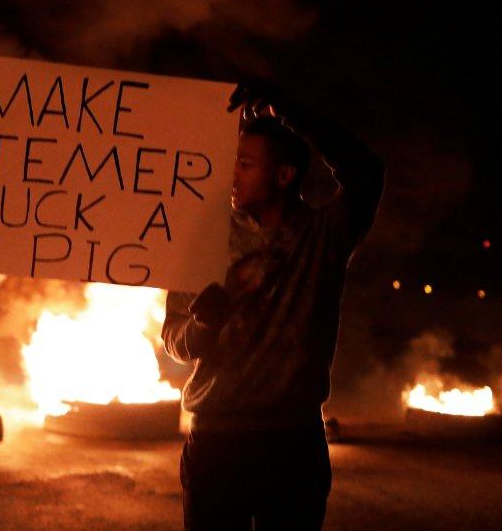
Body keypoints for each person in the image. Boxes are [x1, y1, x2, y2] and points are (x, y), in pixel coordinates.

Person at [162, 83, 385, 530]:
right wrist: (206, 321)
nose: (233, 173)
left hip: (292, 445)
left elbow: (366, 171)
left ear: (284, 176)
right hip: (216, 443)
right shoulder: (205, 239)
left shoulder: (324, 236)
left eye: (246, 164)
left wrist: (290, 110)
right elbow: (175, 343)